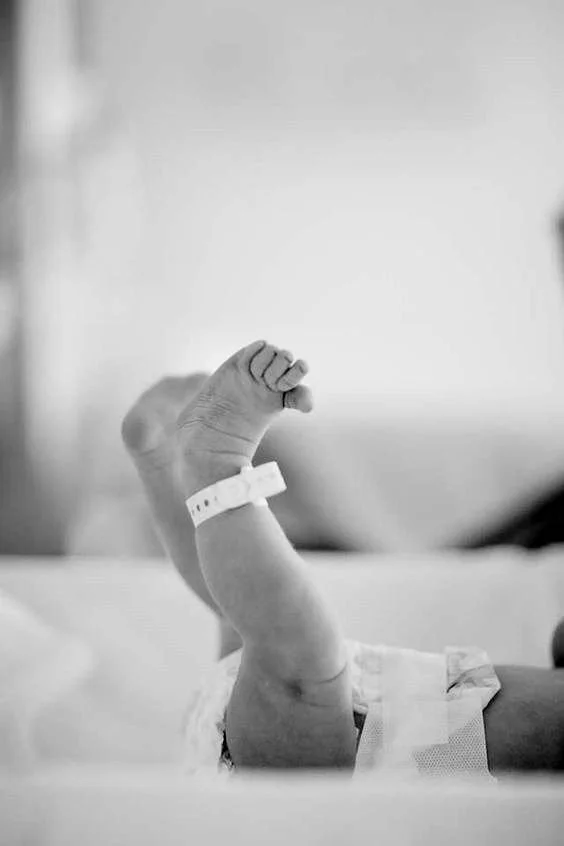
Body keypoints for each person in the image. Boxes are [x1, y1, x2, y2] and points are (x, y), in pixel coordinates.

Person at [122, 340, 564, 776]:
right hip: (337, 727)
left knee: (296, 656)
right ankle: (171, 466)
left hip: (341, 756)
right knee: (242, 618)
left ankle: (214, 462)